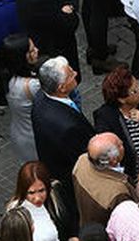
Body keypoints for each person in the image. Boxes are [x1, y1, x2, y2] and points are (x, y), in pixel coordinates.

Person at [30, 56, 93, 186]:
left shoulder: (41, 97)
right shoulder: (68, 127)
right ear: (62, 88)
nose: (75, 73)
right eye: (71, 74)